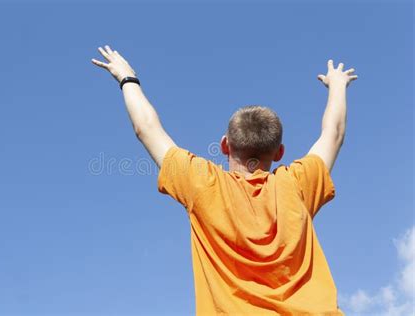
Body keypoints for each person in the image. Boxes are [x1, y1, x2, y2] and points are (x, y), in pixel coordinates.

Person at [92, 45, 357, 315]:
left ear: (224, 145)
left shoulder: (201, 183)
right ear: (279, 153)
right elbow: (334, 133)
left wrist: (127, 78)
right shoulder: (299, 183)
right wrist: (338, 85)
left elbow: (146, 128)